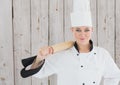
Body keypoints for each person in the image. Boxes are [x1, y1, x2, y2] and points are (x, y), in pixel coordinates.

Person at [21, 0, 120, 85]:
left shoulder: (102, 54)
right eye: (78, 30)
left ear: (92, 30)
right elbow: (39, 73)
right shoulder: (62, 55)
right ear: (72, 30)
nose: (82, 34)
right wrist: (39, 58)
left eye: (86, 30)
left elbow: (114, 75)